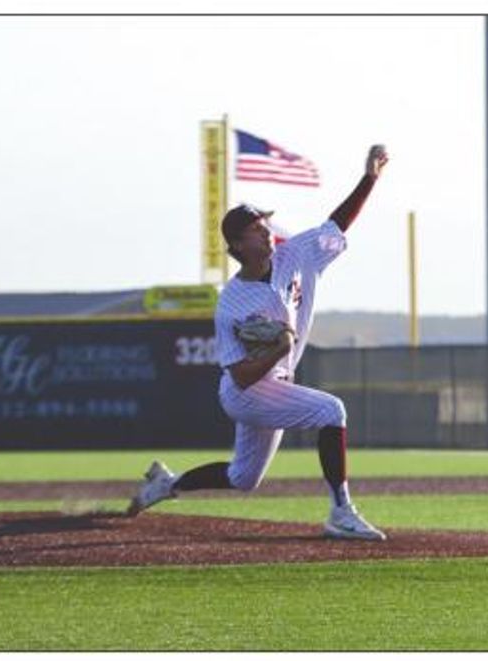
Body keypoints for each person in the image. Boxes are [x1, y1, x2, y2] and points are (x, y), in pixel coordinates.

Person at [126, 144, 390, 541]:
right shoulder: (231, 303)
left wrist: (369, 179)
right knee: (332, 412)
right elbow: (243, 378)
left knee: (243, 477)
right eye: (256, 229)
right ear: (238, 246)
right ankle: (342, 511)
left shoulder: (294, 256)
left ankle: (166, 484)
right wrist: (279, 349)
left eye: (265, 224)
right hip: (247, 392)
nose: (267, 232)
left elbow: (336, 225)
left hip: (276, 385)